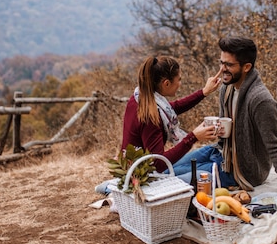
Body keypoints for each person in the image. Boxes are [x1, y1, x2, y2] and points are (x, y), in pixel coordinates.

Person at [176, 37, 277, 205]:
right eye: (221, 63)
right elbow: (228, 127)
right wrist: (218, 131)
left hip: (242, 171)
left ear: (246, 67)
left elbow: (276, 147)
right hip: (221, 153)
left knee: (177, 181)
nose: (222, 69)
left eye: (229, 65)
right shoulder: (226, 88)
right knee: (169, 168)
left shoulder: (261, 101)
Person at [95, 55, 222, 194]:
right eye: (178, 79)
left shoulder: (141, 97)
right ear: (166, 83)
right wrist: (193, 137)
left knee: (209, 151)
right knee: (205, 176)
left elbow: (173, 108)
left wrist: (204, 92)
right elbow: (158, 164)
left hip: (144, 168)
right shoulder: (150, 116)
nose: (180, 83)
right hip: (146, 178)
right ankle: (115, 190)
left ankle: (113, 187)